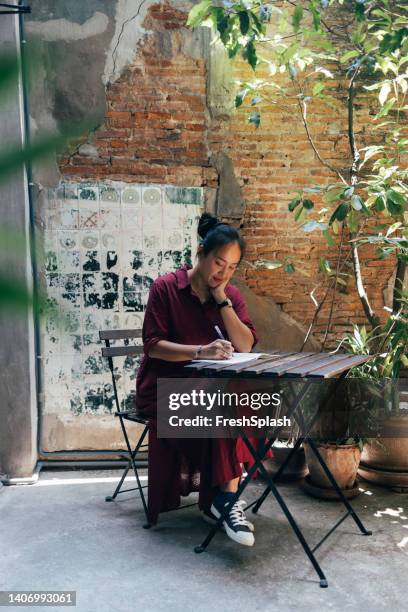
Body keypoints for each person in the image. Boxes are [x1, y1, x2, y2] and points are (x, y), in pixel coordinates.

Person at [136, 212, 267, 546]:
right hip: (163, 392)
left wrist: (222, 300)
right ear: (200, 253)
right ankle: (227, 499)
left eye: (232, 267)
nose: (223, 273)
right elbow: (153, 347)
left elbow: (246, 345)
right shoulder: (167, 288)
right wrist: (200, 351)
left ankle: (225, 497)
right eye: (218, 263)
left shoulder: (230, 296)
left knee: (248, 399)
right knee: (225, 400)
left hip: (210, 394)